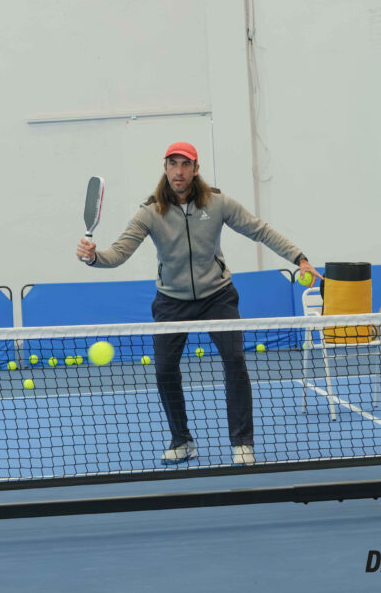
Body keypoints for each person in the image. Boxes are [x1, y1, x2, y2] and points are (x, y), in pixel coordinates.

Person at [75, 142, 320, 466]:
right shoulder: (150, 212)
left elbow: (260, 230)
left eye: (185, 164)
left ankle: (242, 443)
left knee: (235, 363)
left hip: (217, 296)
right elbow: (118, 254)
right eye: (173, 164)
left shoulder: (217, 204)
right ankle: (182, 440)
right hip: (171, 302)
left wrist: (299, 258)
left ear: (195, 168)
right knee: (164, 370)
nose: (179, 170)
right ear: (165, 168)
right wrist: (94, 257)